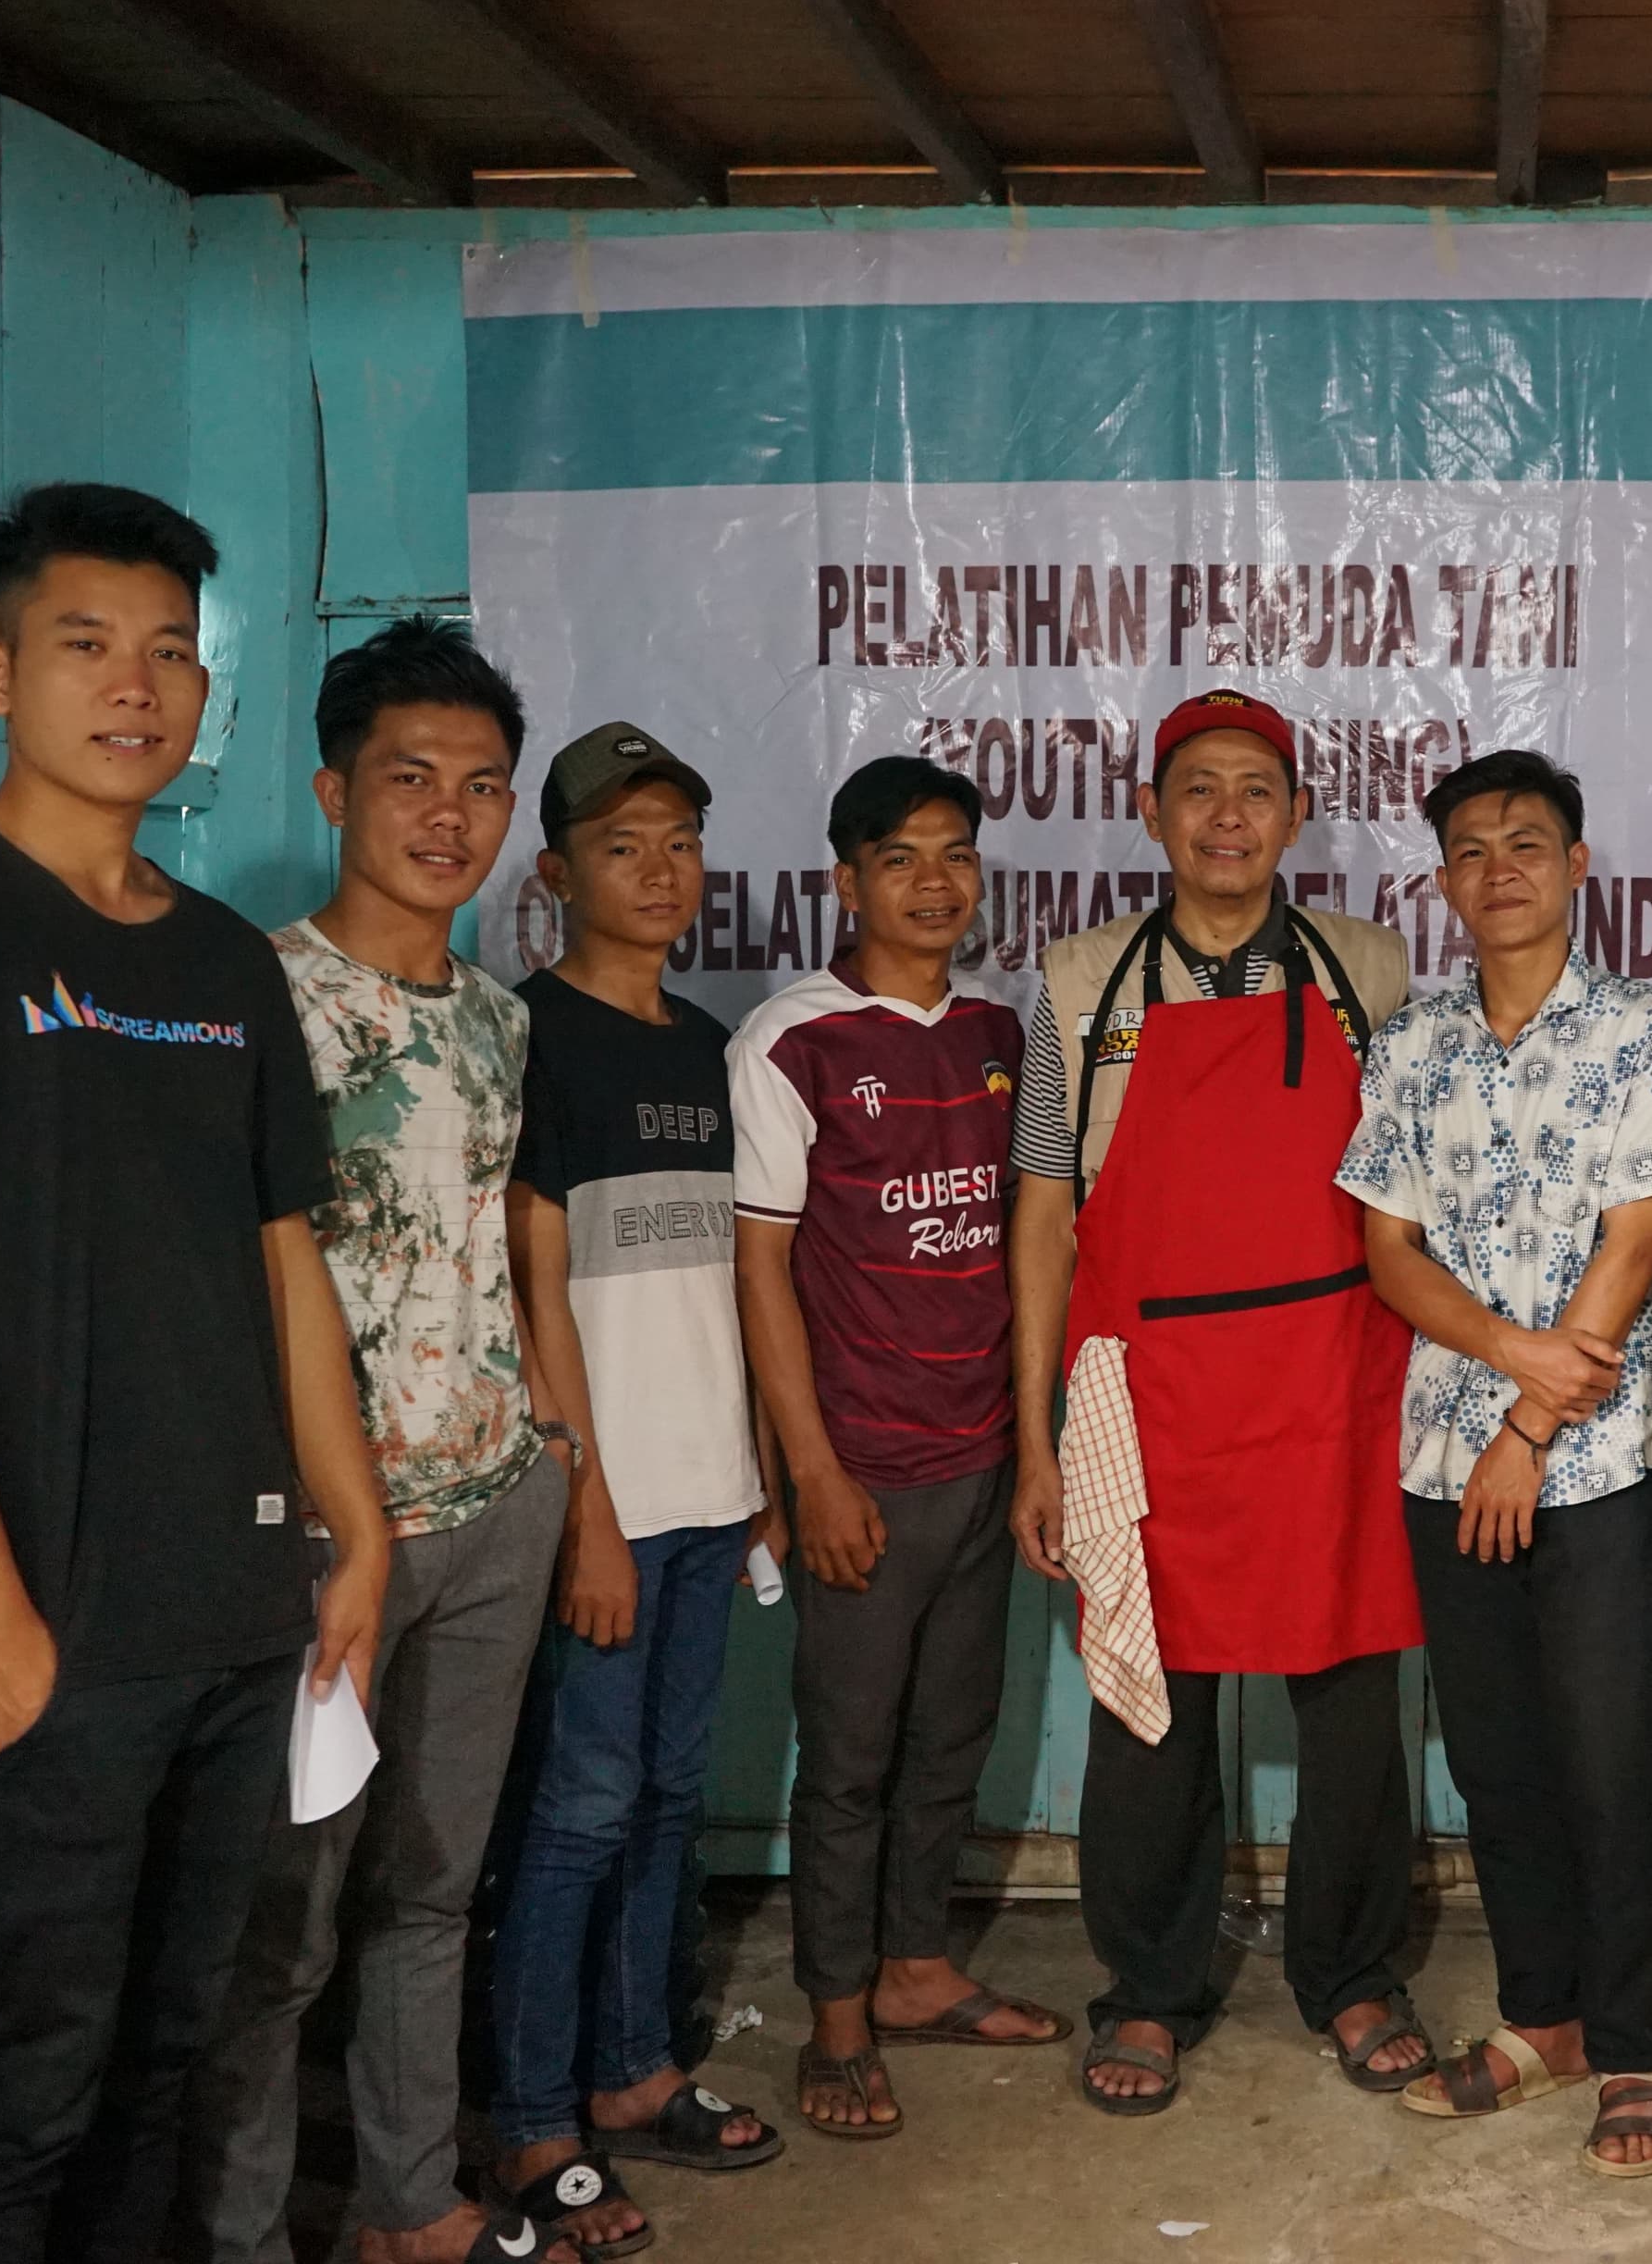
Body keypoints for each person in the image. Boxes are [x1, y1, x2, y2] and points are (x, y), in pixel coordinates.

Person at [0, 482, 389, 2262]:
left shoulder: (221, 963)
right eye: (83, 646)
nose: (133, 688)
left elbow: (282, 1255)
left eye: (167, 657)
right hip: (47, 1635)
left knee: (170, 2065)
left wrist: (352, 1530)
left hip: (231, 1618)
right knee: (16, 2097)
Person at [1005, 687, 1433, 2116]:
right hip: (1148, 1389)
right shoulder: (1079, 982)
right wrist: (1040, 1437)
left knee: (1353, 1703)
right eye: (1199, 788)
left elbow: (1412, 1187)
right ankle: (1149, 1988)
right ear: (1152, 813)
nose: (1229, 815)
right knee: (1151, 1711)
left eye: (1258, 788)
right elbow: (1049, 1217)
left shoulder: (1370, 968)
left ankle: (1355, 1973)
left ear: (1296, 816)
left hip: (1333, 1384)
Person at [189, 617, 560, 2264]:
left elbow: (496, 1255)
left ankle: (409, 2202)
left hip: (495, 1505)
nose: (448, 816)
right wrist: (322, 1520)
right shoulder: (255, 999)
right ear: (332, 787)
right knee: (282, 1925)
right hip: (328, 1539)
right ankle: (246, 2233)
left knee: (428, 1889)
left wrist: (554, 1455)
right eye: (410, 778)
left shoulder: (499, 1019)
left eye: (483, 785)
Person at [1335, 749, 1652, 2173]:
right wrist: (1510, 1359)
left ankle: (1635, 2048)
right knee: (1496, 1759)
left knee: (1613, 1758)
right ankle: (1540, 2016)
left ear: (1579, 866)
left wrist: (1534, 1422)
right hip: (1443, 1457)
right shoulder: (1414, 1042)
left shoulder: (1643, 1029)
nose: (1500, 870)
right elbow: (1387, 1250)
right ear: (1443, 884)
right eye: (1473, 849)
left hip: (1597, 1465)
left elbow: (1638, 1236)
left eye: (1528, 843)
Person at [488, 722, 789, 2253]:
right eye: (624, 845)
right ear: (556, 873)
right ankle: (536, 2121)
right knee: (582, 1808)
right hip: (605, 1508)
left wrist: (757, 1483)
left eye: (680, 842)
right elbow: (538, 1294)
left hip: (708, 1489)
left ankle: (636, 2072)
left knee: (672, 1798)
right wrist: (584, 1507)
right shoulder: (527, 1036)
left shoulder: (699, 1043)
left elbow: (724, 1290)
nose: (661, 869)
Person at [734, 755, 1063, 2139]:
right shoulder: (788, 1042)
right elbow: (761, 1273)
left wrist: (1029, 1449)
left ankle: (920, 1970)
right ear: (843, 881)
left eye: (955, 856)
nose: (934, 885)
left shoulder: (1003, 1024)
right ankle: (836, 2017)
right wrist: (807, 1473)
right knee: (854, 1756)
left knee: (951, 1740)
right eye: (901, 861)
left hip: (983, 1459)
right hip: (861, 1472)